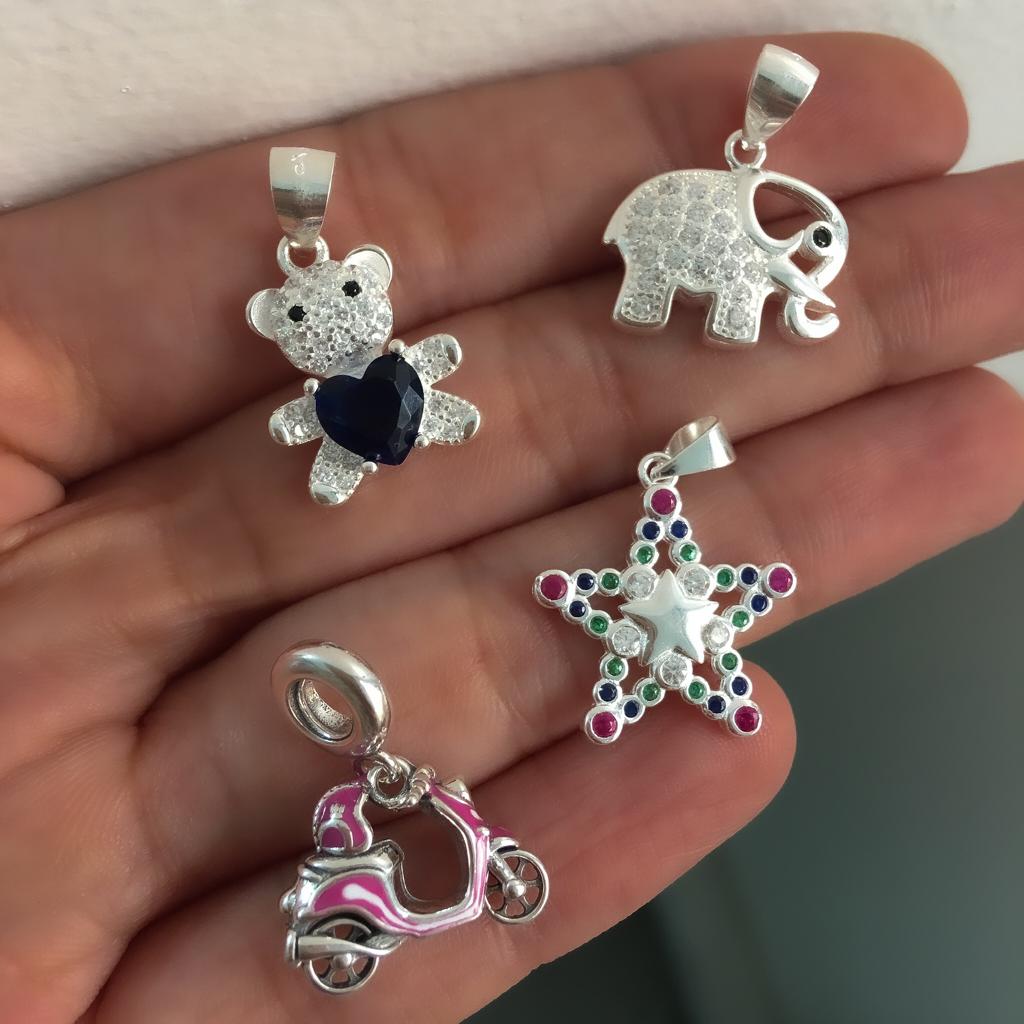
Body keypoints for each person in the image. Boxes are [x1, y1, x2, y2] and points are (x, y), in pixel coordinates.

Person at [0, 31, 1021, 1024]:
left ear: (368, 281)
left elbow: (424, 377)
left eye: (350, 288)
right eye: (312, 308)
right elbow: (302, 419)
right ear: (286, 321)